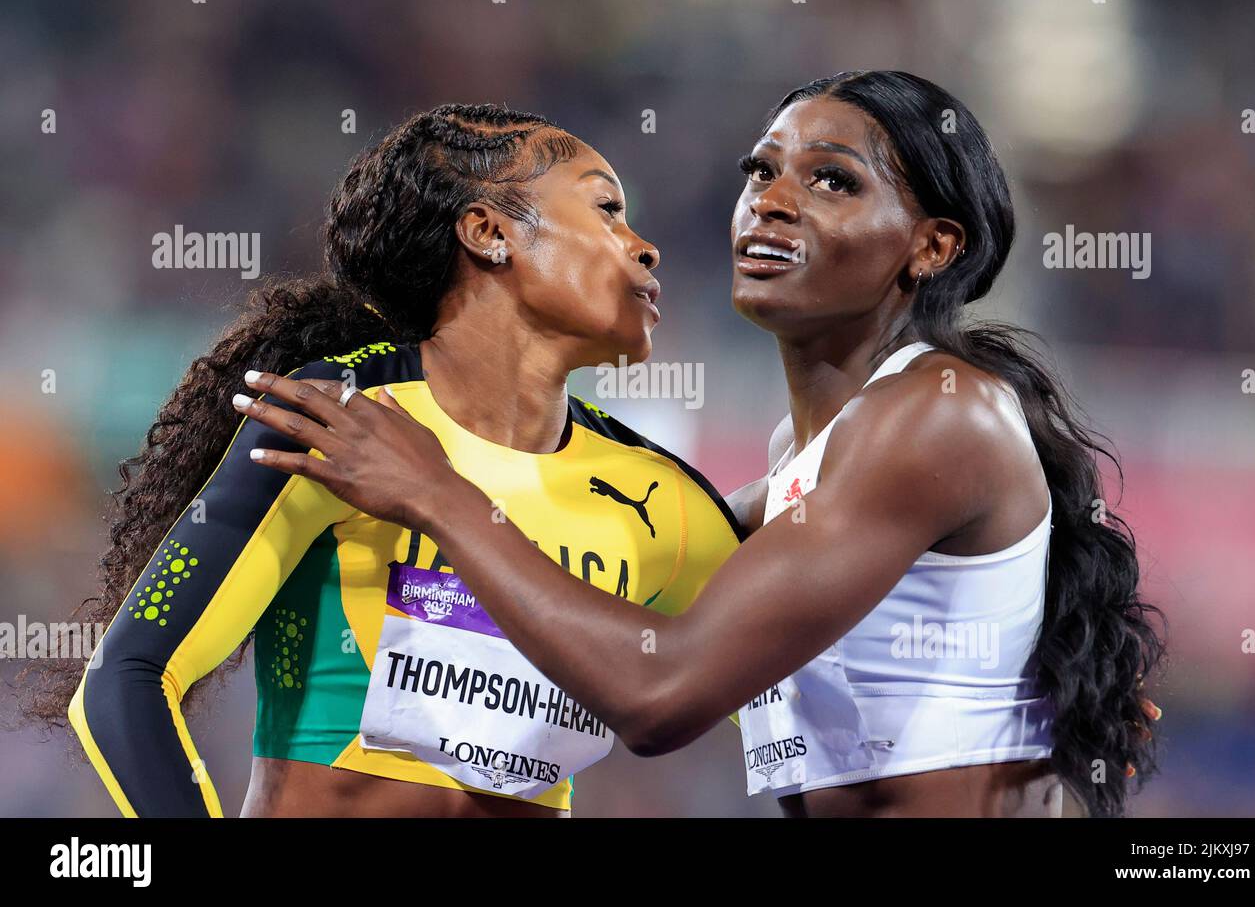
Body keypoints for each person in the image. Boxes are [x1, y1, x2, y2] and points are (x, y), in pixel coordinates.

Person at [236, 72, 1166, 817]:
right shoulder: (795, 472)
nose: (773, 202)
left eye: (832, 180)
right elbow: (601, 616)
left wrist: (434, 494)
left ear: (930, 247)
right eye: (761, 173)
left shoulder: (935, 413)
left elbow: (660, 691)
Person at [28, 103, 742, 816]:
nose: (644, 247)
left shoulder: (660, 495)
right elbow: (127, 679)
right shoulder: (342, 416)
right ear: (490, 232)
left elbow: (803, 711)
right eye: (607, 209)